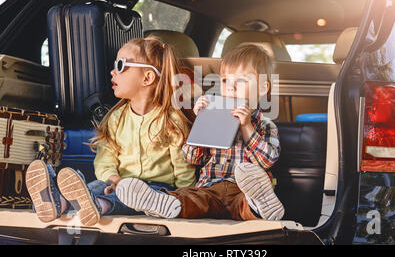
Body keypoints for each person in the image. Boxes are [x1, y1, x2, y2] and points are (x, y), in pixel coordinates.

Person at [25, 36, 196, 226]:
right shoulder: (116, 118)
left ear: (147, 77)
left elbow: (183, 167)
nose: (112, 72)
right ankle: (59, 202)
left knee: (133, 197)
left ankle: (98, 205)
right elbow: (105, 160)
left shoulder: (171, 120)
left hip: (156, 189)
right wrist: (114, 179)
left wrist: (184, 198)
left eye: (121, 65)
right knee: (97, 186)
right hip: (116, 182)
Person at [115, 43, 285, 221]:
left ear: (263, 88)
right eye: (226, 80)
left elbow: (266, 161)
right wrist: (201, 123)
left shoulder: (265, 125)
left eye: (241, 81)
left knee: (246, 205)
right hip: (209, 190)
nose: (231, 88)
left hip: (242, 192)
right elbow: (192, 158)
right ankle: (164, 202)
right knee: (192, 199)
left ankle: (260, 204)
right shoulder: (214, 117)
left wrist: (246, 126)